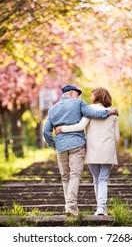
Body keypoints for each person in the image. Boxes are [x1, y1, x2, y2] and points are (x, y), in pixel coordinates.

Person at [43, 85, 118, 217]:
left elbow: (46, 131)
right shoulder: (79, 103)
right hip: (78, 145)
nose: (80, 96)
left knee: (66, 177)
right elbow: (95, 116)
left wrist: (53, 143)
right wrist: (109, 112)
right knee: (78, 176)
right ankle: (76, 208)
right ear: (72, 93)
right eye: (78, 94)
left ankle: (69, 206)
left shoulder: (53, 109)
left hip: (62, 146)